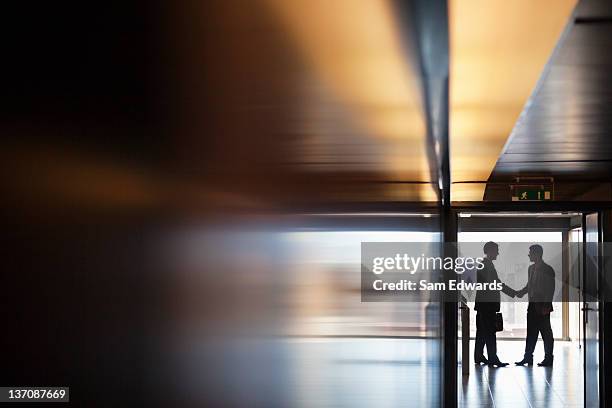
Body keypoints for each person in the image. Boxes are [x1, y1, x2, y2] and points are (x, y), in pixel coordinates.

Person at [474, 241, 516, 367]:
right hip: (487, 305)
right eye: (496, 250)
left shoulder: (485, 264)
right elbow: (496, 283)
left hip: (483, 304)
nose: (498, 253)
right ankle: (492, 358)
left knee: (482, 331)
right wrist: (513, 292)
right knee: (489, 332)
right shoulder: (487, 265)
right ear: (490, 251)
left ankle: (479, 356)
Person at [515, 244, 556, 367]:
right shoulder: (531, 268)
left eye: (530, 253)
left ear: (537, 254)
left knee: (546, 334)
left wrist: (546, 306)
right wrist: (521, 293)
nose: (528, 255)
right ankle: (528, 357)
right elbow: (529, 285)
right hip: (532, 306)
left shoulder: (548, 269)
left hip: (543, 307)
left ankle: (548, 358)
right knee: (531, 333)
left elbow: (550, 289)